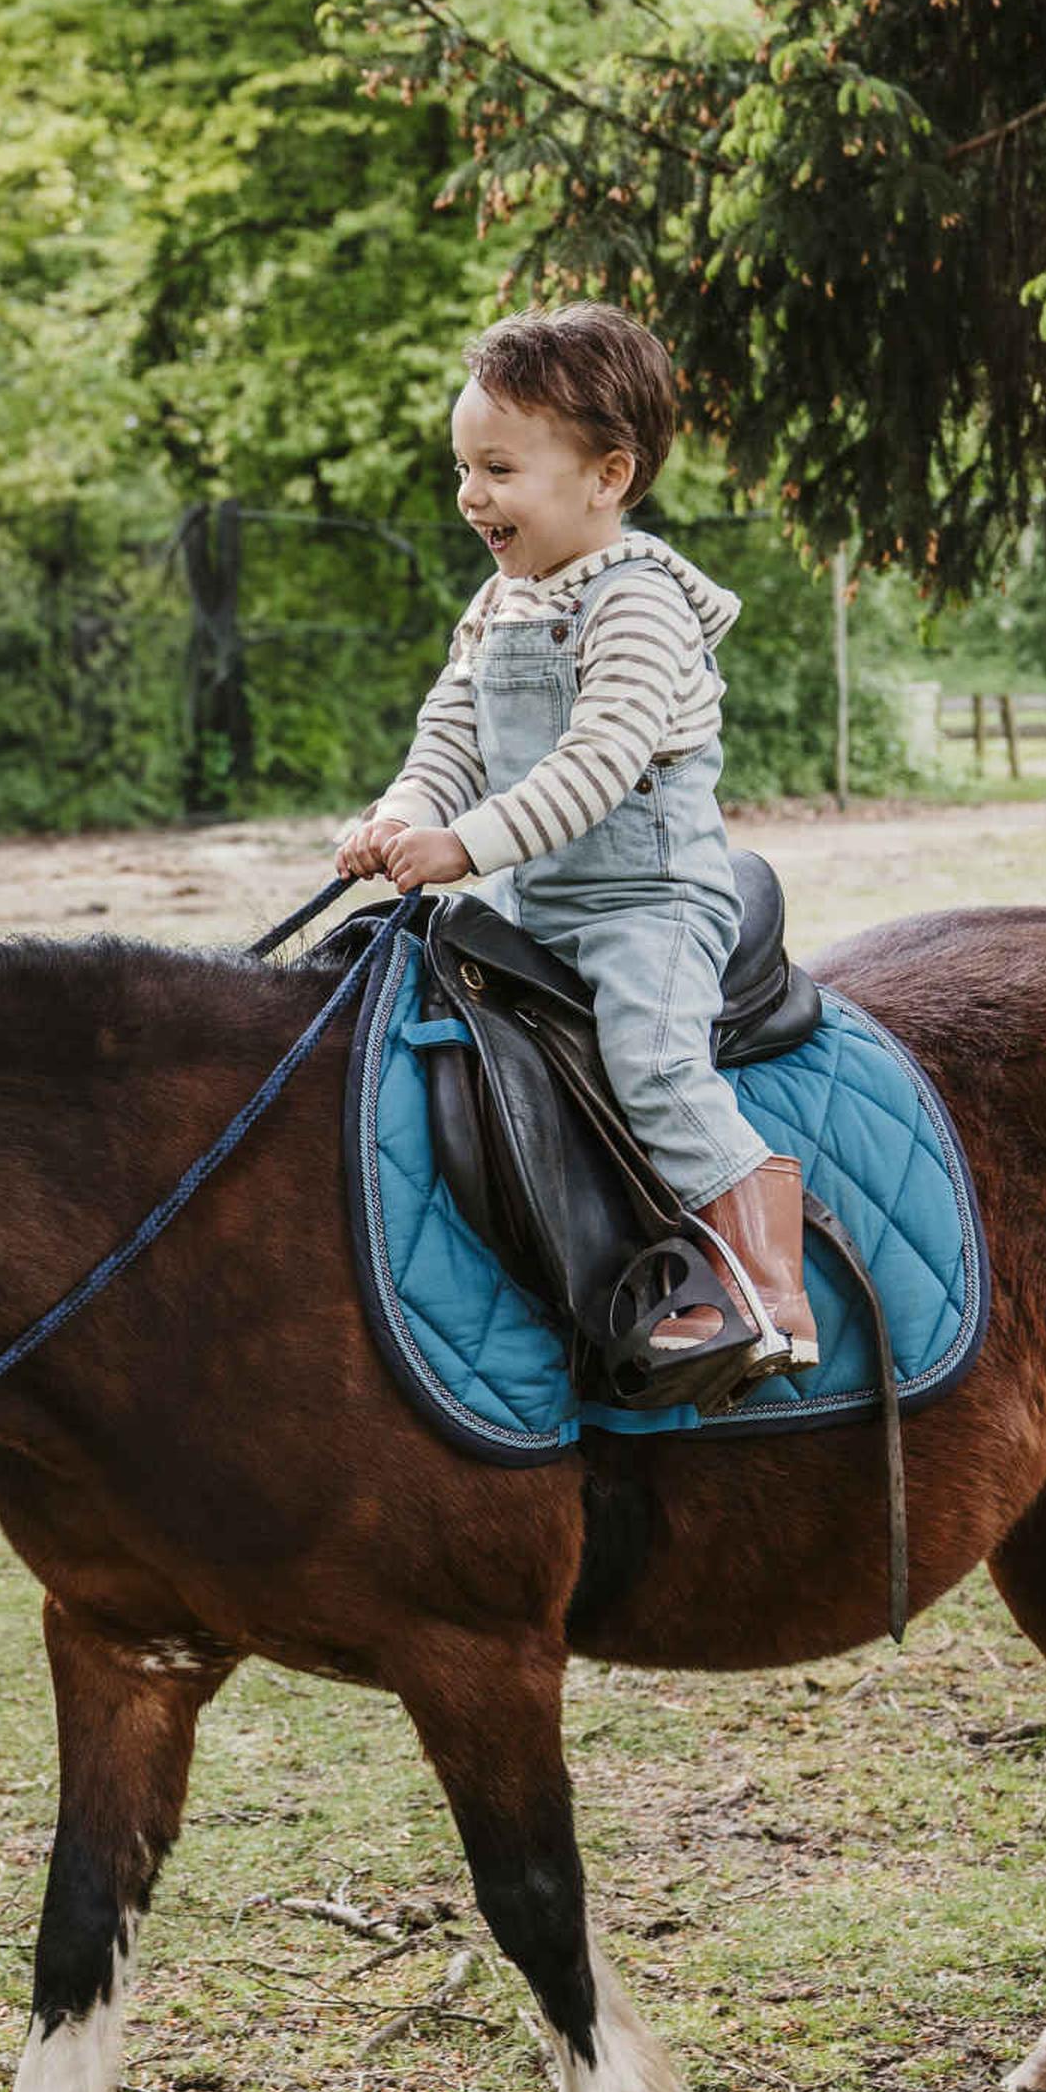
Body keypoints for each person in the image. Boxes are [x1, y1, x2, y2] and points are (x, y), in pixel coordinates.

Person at [335, 303, 818, 1375]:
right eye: (464, 468)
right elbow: (450, 736)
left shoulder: (639, 607)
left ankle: (770, 1293)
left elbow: (597, 765)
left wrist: (464, 845)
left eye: (498, 469)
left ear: (609, 476)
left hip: (649, 902)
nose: (471, 495)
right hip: (533, 906)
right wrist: (404, 814)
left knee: (650, 1060)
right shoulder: (499, 605)